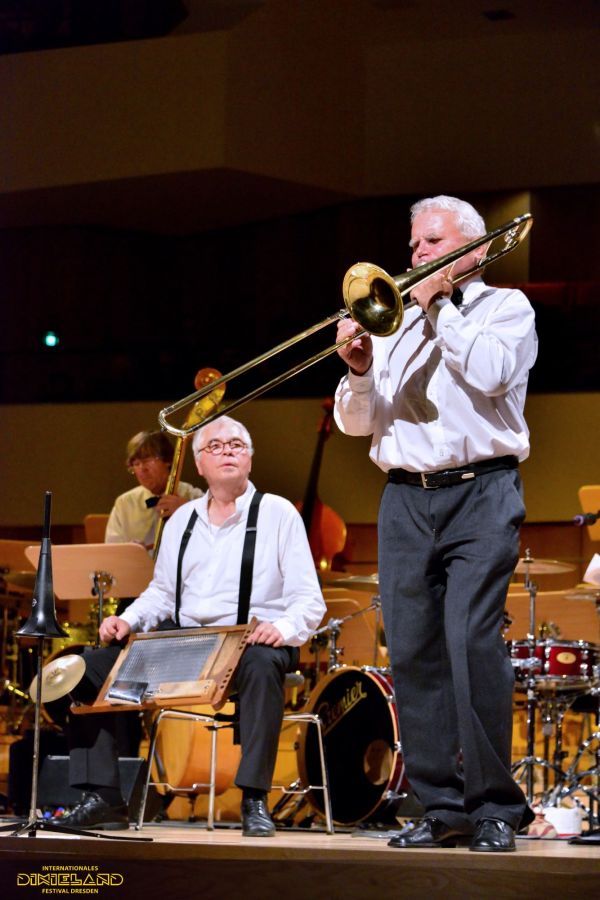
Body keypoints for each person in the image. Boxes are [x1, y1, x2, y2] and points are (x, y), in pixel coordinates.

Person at [334, 195, 538, 852]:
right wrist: (361, 371)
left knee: (472, 646)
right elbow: (359, 423)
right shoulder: (389, 320)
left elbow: (489, 373)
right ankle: (441, 806)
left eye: (431, 242)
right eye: (415, 243)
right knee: (415, 653)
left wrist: (437, 306)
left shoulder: (505, 310)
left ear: (472, 250)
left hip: (482, 491)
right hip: (403, 498)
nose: (417, 254)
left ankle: (495, 810)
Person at [51, 415, 325, 836]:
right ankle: (104, 798)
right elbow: (161, 593)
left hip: (250, 640)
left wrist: (282, 628)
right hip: (184, 644)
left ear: (250, 458)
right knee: (81, 670)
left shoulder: (278, 514)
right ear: (200, 464)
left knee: (264, 663)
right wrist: (126, 619)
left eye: (236, 444)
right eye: (215, 446)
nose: (227, 451)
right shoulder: (182, 520)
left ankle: (254, 799)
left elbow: (309, 600)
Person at [105, 430, 203, 551]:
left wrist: (187, 512)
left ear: (167, 460)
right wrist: (129, 551)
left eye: (147, 460)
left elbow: (214, 542)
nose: (142, 469)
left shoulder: (193, 496)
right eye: (136, 464)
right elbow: (112, 551)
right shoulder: (125, 503)